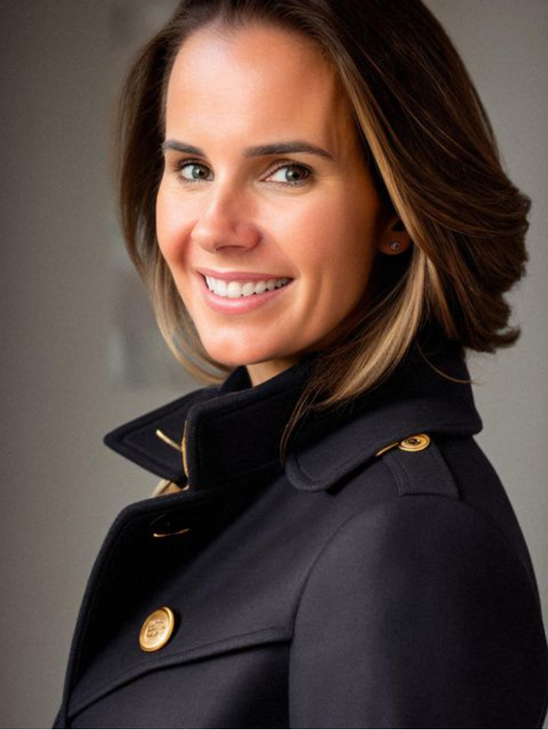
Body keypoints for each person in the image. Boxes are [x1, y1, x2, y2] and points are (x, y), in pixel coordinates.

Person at [55, 0, 548, 727]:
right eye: (191, 167)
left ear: (398, 211)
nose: (216, 229)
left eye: (286, 172)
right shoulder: (257, 488)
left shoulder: (410, 539)